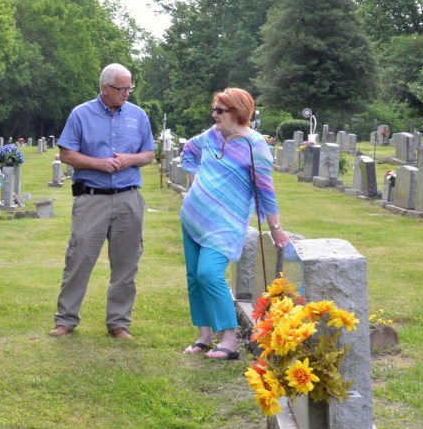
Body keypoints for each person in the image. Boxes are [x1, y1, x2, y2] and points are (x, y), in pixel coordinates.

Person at [180, 88, 290, 360]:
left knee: (209, 274)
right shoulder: (212, 135)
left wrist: (275, 228)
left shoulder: (255, 146)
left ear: (237, 112)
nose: (214, 115)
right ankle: (204, 336)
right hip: (193, 216)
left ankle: (229, 340)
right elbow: (189, 150)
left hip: (226, 224)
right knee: (194, 278)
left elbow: (265, 190)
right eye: (214, 109)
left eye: (220, 110)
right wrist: (195, 179)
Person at [50, 63, 155, 340]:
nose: (127, 93)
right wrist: (98, 163)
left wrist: (130, 159)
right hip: (92, 198)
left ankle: (119, 323)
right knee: (79, 259)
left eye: (130, 88)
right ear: (105, 88)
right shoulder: (80, 114)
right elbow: (66, 154)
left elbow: (148, 154)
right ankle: (66, 320)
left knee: (126, 263)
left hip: (128, 197)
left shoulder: (138, 116)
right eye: (122, 89)